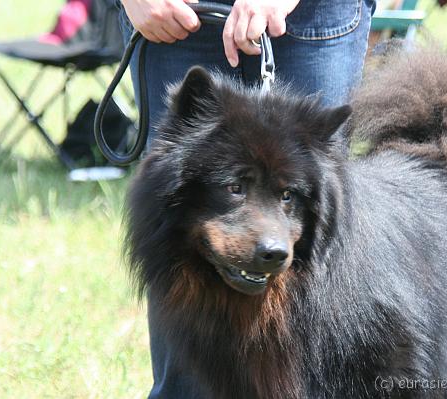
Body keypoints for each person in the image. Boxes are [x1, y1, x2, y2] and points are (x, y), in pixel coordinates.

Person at [115, 0, 374, 396]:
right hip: (172, 15)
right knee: (187, 374)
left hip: (310, 14)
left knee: (316, 360)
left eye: (287, 197)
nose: (271, 237)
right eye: (235, 190)